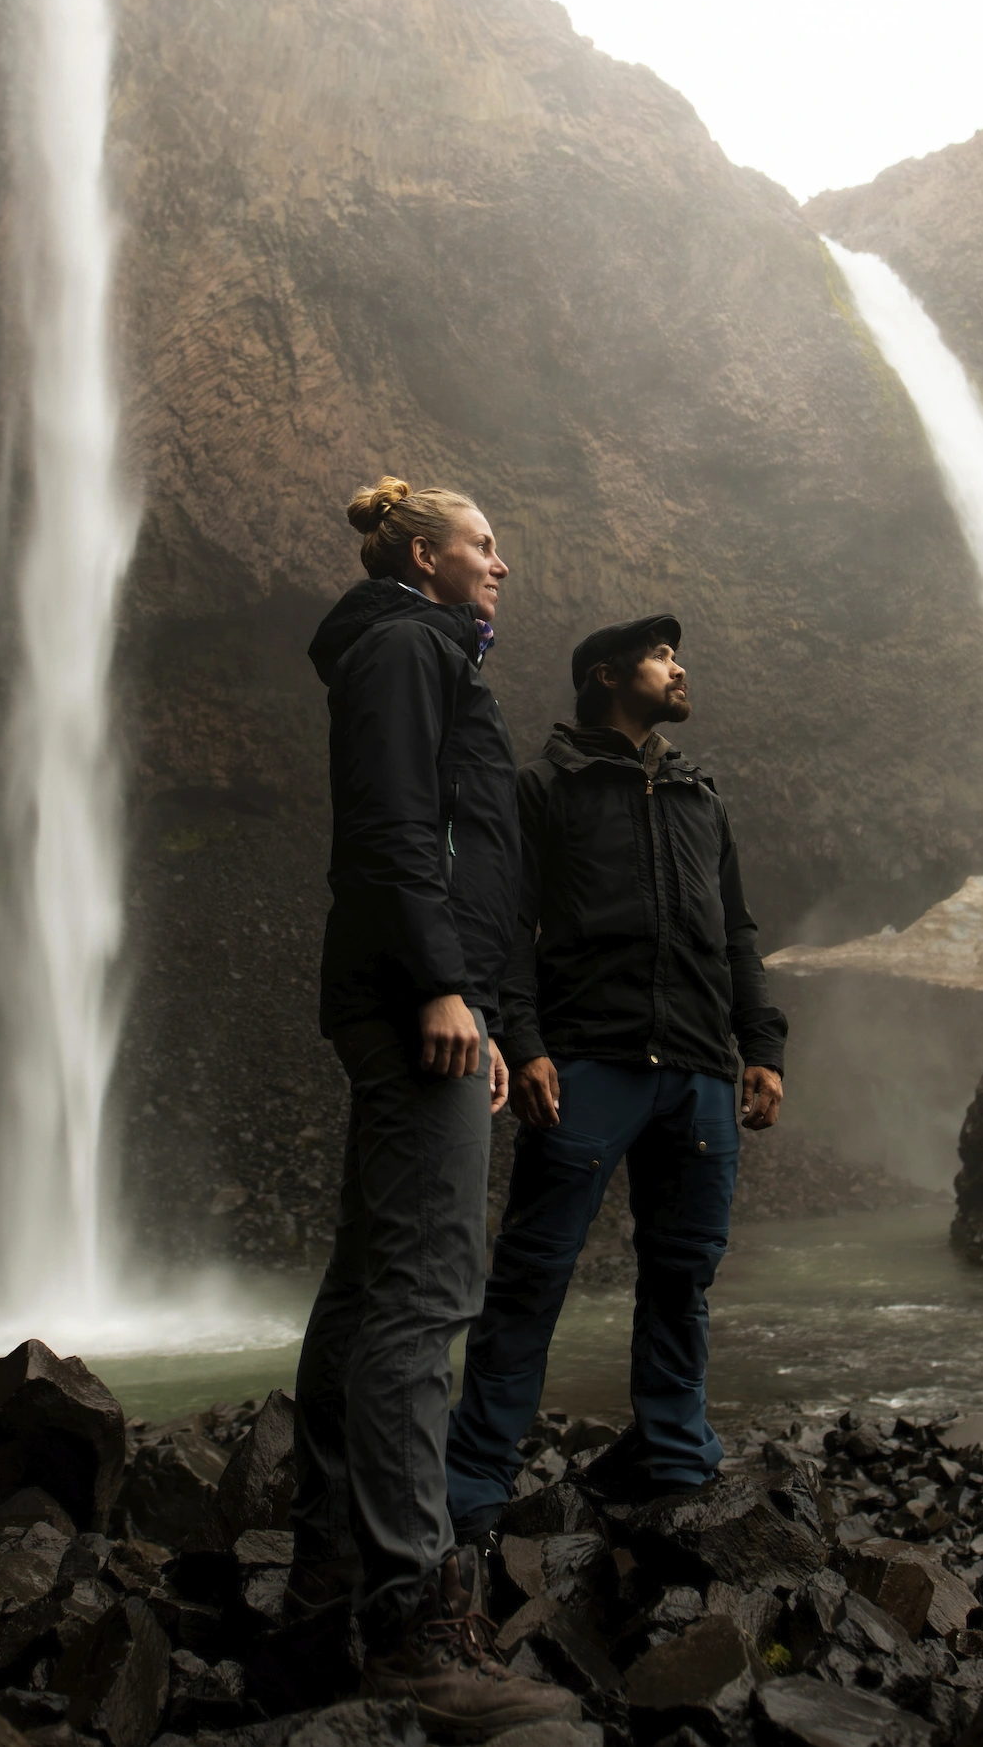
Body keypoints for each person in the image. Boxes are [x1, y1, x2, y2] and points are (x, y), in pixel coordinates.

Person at [288, 476, 577, 1737]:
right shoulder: (407, 644)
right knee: (425, 1295)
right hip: (415, 1002)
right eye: (483, 544)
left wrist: (497, 1009)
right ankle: (415, 1625)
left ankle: (326, 1581)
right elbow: (394, 827)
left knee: (366, 1286)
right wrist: (441, 989)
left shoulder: (420, 647)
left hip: (422, 993)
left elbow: (478, 858)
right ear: (424, 553)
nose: (501, 565)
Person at [445, 615, 788, 1536]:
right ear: (606, 675)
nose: (679, 669)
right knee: (532, 1272)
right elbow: (508, 926)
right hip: (586, 1062)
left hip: (699, 1070)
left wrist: (760, 1046)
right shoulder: (543, 790)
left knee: (684, 1274)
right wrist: (524, 1044)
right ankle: (474, 1481)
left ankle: (676, 1456)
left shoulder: (700, 796)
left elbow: (738, 933)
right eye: (661, 656)